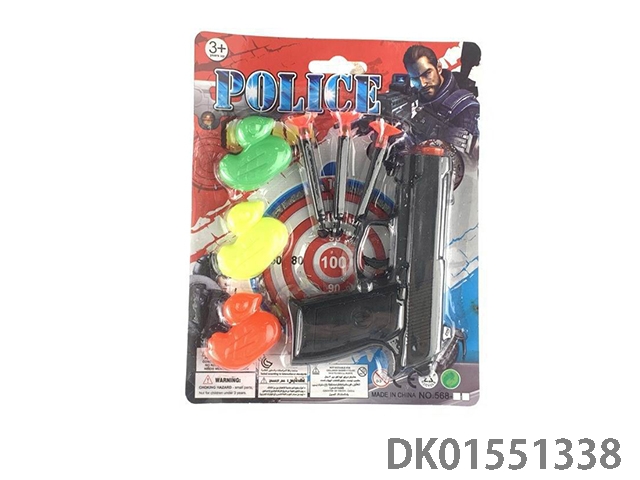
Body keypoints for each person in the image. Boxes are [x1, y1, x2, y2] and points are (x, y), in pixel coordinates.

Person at [402, 45, 479, 156]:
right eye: (415, 78)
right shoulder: (411, 99)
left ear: (438, 67)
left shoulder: (466, 109)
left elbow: (467, 161)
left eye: (427, 73)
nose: (422, 84)